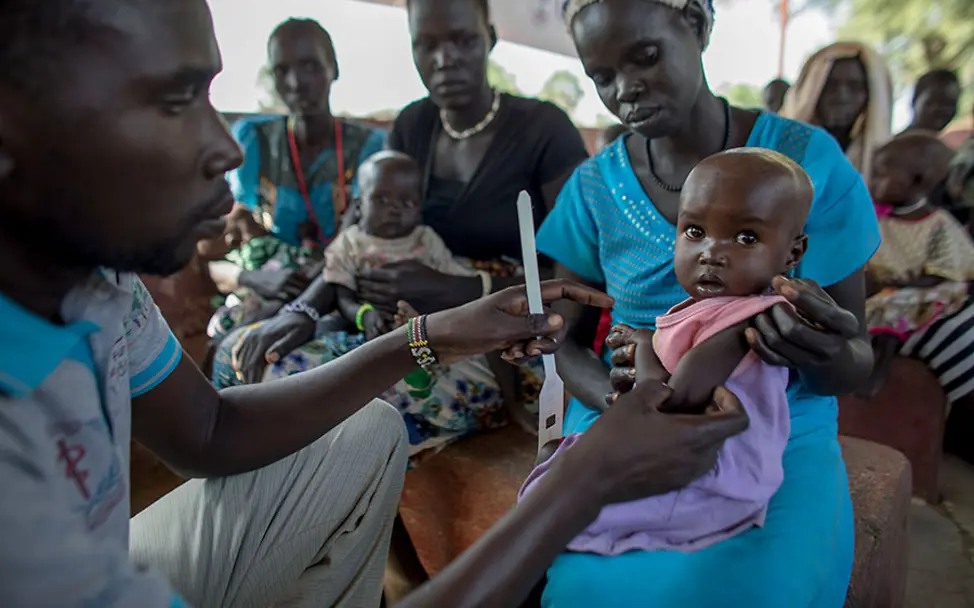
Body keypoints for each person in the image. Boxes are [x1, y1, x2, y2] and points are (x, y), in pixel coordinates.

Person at [0, 3, 756, 607]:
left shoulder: (103, 290)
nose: (228, 145)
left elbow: (210, 430)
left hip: (111, 543)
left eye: (207, 93)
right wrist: (586, 478)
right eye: (174, 98)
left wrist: (430, 332)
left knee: (367, 429)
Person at [535, 0, 880, 605]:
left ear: (695, 25)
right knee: (590, 585)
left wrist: (826, 353)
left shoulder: (806, 162)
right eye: (602, 76)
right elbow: (559, 335)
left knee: (752, 586)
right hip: (630, 412)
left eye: (644, 56)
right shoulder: (593, 188)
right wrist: (622, 400)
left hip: (775, 421)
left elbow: (856, 360)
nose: (626, 88)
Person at [217, 0, 591, 461]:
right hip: (405, 322)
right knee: (253, 358)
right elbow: (357, 238)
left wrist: (461, 286)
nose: (444, 58)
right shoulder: (413, 125)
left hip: (507, 338)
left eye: (462, 40)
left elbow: (576, 273)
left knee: (312, 396)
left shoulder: (543, 129)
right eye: (427, 44)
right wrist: (302, 311)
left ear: (489, 40)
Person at [521, 149, 813, 556]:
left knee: (555, 508)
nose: (711, 252)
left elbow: (670, 402)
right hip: (676, 448)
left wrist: (642, 345)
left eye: (745, 237)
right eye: (695, 231)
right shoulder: (713, 308)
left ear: (792, 253)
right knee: (554, 459)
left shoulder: (745, 322)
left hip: (708, 472)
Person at [202, 18, 386, 337]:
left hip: (340, 290)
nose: (296, 82)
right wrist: (253, 278)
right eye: (282, 71)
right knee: (231, 339)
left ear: (334, 69)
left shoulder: (368, 149)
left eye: (310, 66)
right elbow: (217, 244)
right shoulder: (254, 141)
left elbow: (366, 242)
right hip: (272, 287)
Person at [862, 132, 974, 404]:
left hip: (930, 292)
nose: (871, 181)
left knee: (890, 309)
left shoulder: (937, 224)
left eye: (880, 175)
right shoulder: (876, 218)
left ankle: (878, 370)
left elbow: (943, 273)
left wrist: (897, 287)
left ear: (917, 182)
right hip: (885, 291)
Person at [782, 41, 893, 183]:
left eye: (854, 87)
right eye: (829, 84)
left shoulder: (886, 161)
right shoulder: (777, 149)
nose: (841, 96)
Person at [903, 69, 960, 134]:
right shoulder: (893, 143)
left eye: (951, 104)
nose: (943, 110)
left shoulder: (953, 142)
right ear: (914, 100)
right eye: (935, 102)